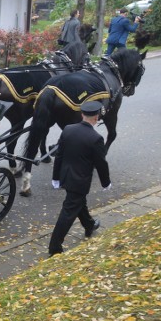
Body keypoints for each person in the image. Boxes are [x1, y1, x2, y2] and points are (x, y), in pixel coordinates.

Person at [48, 101, 111, 255]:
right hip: (80, 181)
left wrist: (56, 177)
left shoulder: (68, 129)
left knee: (78, 203)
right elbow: (101, 163)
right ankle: (54, 247)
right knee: (68, 211)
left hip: (66, 176)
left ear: (82, 114)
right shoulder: (96, 138)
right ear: (96, 118)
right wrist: (106, 182)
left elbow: (59, 155)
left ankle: (89, 225)